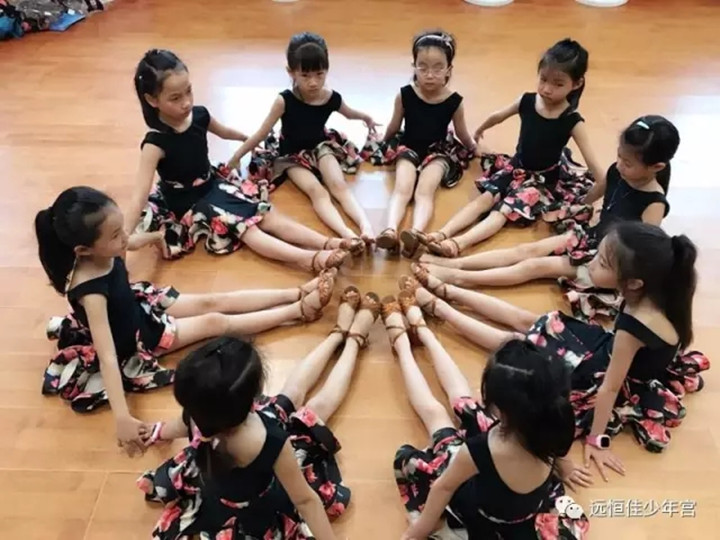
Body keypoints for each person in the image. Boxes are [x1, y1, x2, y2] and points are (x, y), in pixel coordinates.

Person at [37, 186, 336, 455]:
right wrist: (122, 417)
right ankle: (298, 311)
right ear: (83, 250)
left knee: (213, 300)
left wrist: (155, 237)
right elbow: (107, 356)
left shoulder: (106, 249)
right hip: (138, 338)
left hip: (141, 305)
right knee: (214, 322)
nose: (124, 237)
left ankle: (296, 292)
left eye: (121, 228)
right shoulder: (90, 293)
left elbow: (129, 243)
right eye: (115, 235)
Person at [406, 221, 711, 467]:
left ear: (634, 283)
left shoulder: (636, 324)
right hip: (605, 347)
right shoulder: (663, 293)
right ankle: (447, 290)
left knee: (515, 343)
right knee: (531, 321)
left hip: (595, 372)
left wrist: (596, 439)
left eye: (602, 262)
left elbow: (610, 387)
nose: (592, 263)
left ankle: (439, 306)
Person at [138, 287, 382, 539]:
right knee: (309, 404)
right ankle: (349, 339)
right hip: (262, 507)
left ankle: (341, 335)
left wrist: (156, 431)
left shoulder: (201, 413)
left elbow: (179, 425)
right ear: (253, 398)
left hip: (220, 500)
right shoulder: (270, 440)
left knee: (298, 398)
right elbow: (305, 500)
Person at [420, 116, 680, 320]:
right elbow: (596, 191)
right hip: (593, 237)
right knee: (526, 250)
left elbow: (642, 255)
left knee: (535, 266)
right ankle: (457, 264)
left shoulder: (654, 203)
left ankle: (459, 277)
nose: (620, 165)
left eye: (628, 163)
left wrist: (604, 266)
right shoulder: (617, 171)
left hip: (609, 263)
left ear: (656, 167)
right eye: (619, 157)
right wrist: (577, 207)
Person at [381, 292, 590, 539]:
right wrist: (565, 468)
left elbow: (443, 487)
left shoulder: (479, 451)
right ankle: (423, 333)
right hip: (522, 519)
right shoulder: (556, 423)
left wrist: (417, 532)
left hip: (478, 515)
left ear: (499, 409)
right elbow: (559, 455)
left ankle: (407, 343)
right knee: (460, 403)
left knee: (437, 414)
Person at [127, 48, 354, 269]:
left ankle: (329, 243)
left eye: (189, 91)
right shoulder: (155, 144)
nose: (186, 102)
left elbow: (223, 131)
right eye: (175, 98)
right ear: (152, 100)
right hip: (186, 202)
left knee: (265, 214)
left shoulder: (199, 115)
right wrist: (123, 235)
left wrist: (245, 138)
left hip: (212, 184)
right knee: (247, 229)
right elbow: (139, 196)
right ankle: (309, 258)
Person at [418, 38, 604, 257]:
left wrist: (584, 202)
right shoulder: (527, 101)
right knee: (484, 200)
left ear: (577, 84)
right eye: (543, 79)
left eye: (558, 84)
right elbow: (499, 115)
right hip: (516, 167)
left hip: (541, 181)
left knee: (503, 212)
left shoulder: (572, 121)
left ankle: (457, 244)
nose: (546, 89)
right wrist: (479, 130)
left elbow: (600, 174)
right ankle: (441, 234)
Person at [228, 32, 377, 244]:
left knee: (338, 185)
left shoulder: (331, 97)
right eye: (305, 76)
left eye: (319, 74)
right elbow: (261, 133)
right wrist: (236, 157)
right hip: (291, 155)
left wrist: (367, 119)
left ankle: (366, 227)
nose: (313, 82)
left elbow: (349, 113)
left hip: (321, 146)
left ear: (327, 70)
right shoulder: (284, 101)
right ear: (291, 72)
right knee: (317, 192)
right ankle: (347, 235)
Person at [365, 29, 475, 258]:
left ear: (449, 69)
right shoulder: (405, 95)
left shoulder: (454, 101)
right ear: (413, 66)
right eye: (422, 67)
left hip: (438, 152)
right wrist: (382, 141)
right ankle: (390, 230)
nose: (430, 75)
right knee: (402, 188)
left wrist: (475, 148)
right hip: (409, 147)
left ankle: (415, 233)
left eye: (437, 68)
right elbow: (394, 126)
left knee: (425, 191)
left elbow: (463, 134)